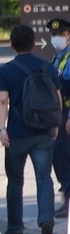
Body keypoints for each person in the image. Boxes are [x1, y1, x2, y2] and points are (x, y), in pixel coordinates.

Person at [0, 24, 61, 234]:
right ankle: (46, 221)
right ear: (34, 43)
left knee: (15, 181)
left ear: (12, 45)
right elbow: (58, 99)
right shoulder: (47, 67)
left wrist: (2, 127)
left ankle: (15, 228)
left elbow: (3, 100)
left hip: (17, 134)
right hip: (43, 132)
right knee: (44, 177)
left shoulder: (6, 70)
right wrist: (55, 125)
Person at [47, 18, 70, 217]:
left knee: (64, 156)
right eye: (54, 34)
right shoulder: (58, 57)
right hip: (59, 113)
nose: (56, 38)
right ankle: (66, 194)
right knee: (58, 156)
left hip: (67, 113)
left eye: (60, 34)